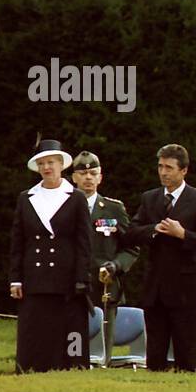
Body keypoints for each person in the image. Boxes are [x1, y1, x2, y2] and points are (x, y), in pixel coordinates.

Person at [124, 143, 196, 372]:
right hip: (155, 288)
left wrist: (183, 234)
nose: (163, 172)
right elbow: (130, 233)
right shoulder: (150, 198)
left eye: (169, 167)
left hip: (186, 289)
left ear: (184, 170)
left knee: (186, 354)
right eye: (160, 167)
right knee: (155, 353)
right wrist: (153, 229)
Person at [8, 139, 91, 372]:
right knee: (35, 330)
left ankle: (68, 371)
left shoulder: (76, 198)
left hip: (65, 279)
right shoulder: (26, 198)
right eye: (42, 163)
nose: (47, 167)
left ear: (61, 165)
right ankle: (31, 370)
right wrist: (15, 278)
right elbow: (18, 241)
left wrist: (82, 278)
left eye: (51, 162)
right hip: (34, 277)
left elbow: (84, 243)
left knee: (66, 332)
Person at [70, 151, 139, 359]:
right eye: (82, 173)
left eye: (93, 173)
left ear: (100, 177)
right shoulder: (63, 205)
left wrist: (115, 266)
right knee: (71, 348)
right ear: (73, 177)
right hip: (70, 284)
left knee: (102, 351)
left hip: (105, 286)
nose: (88, 177)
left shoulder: (113, 209)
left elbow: (131, 247)